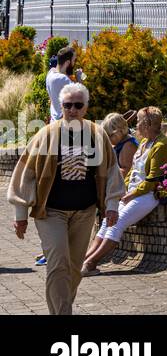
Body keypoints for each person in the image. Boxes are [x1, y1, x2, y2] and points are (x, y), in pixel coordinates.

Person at [7, 82, 124, 314]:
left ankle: (62, 307)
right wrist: (20, 214)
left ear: (86, 108)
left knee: (73, 268)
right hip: (50, 212)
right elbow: (26, 174)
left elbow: (112, 173)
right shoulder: (46, 134)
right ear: (61, 106)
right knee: (58, 263)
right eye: (67, 105)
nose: (72, 109)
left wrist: (111, 206)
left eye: (77, 105)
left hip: (85, 211)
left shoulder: (97, 134)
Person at [81, 108, 167, 276]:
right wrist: (121, 189)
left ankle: (91, 263)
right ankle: (84, 259)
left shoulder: (161, 145)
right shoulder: (145, 143)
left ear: (147, 124)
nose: (136, 125)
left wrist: (131, 194)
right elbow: (133, 172)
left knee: (118, 222)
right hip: (133, 192)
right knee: (108, 220)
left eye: (138, 121)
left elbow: (153, 180)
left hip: (149, 195)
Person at [101, 113, 138, 180]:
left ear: (120, 131)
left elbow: (127, 172)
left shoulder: (128, 146)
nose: (108, 139)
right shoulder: (120, 142)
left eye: (110, 135)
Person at [45, 46, 76, 122]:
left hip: (53, 121)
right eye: (74, 60)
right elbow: (81, 97)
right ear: (68, 63)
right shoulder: (63, 79)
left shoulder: (50, 73)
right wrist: (79, 79)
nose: (74, 63)